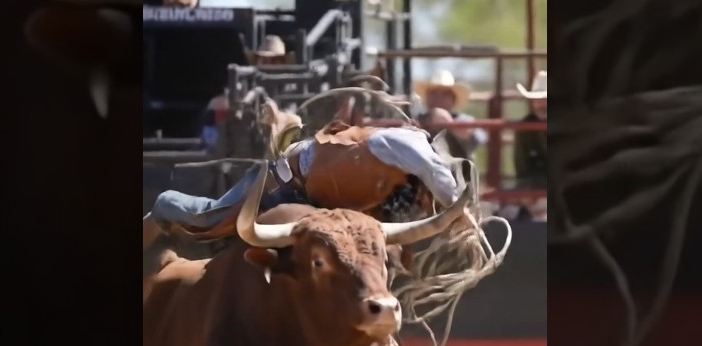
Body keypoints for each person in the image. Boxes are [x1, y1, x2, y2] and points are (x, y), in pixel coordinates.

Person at [143, 106, 466, 245]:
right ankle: (165, 204)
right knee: (208, 219)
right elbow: (435, 172)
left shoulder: (396, 170)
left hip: (307, 198)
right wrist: (461, 215)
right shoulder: (406, 145)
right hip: (279, 185)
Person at [414, 70, 487, 160]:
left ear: (453, 99)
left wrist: (449, 123)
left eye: (445, 94)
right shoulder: (418, 119)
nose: (438, 98)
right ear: (427, 98)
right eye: (434, 93)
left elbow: (476, 137)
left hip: (455, 172)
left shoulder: (464, 120)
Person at [511, 70, 547, 220]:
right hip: (536, 191)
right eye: (536, 99)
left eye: (544, 99)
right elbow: (523, 169)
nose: (540, 104)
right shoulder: (525, 127)